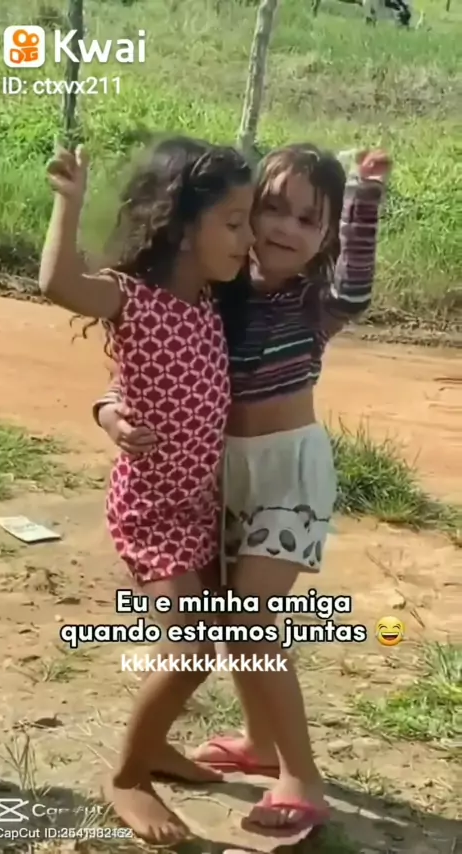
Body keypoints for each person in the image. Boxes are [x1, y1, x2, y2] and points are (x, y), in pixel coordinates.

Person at [92, 143, 391, 833]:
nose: (285, 228)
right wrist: (110, 411)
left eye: (308, 220)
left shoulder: (315, 304)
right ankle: (259, 743)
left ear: (326, 236)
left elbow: (356, 286)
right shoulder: (217, 297)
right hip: (223, 480)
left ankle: (302, 778)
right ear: (244, 214)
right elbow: (142, 367)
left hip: (289, 479)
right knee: (234, 624)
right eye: (272, 209)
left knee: (251, 618)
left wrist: (365, 197)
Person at [38, 135, 254, 843]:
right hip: (153, 512)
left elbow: (133, 380)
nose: (247, 239)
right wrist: (69, 204)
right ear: (182, 227)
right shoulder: (134, 299)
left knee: (195, 650)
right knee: (189, 655)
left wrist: (110, 406)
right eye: (233, 223)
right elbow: (57, 284)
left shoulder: (211, 304)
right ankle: (128, 776)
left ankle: (155, 748)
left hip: (200, 509)